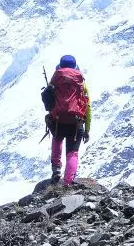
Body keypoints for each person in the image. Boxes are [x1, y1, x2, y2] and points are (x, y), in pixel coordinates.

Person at [43, 55, 91, 185]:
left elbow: (47, 99)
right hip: (76, 122)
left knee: (57, 140)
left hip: (57, 120)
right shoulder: (81, 83)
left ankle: (56, 170)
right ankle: (68, 183)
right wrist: (87, 129)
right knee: (72, 153)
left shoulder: (55, 79)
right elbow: (87, 106)